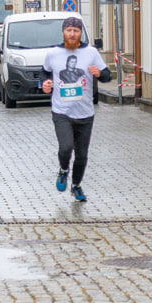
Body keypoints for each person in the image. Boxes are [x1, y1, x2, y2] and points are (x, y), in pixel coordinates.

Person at [40, 17, 112, 201]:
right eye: (69, 30)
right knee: (66, 147)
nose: (72, 34)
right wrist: (44, 83)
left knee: (81, 155)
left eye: (76, 31)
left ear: (80, 33)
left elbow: (107, 75)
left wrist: (100, 74)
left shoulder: (91, 52)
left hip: (85, 113)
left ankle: (76, 185)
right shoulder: (53, 53)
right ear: (63, 32)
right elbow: (45, 71)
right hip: (61, 111)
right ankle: (64, 170)